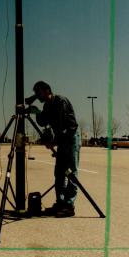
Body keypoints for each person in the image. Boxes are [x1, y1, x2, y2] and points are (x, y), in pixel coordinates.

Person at [31, 80, 81, 217]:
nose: (37, 95)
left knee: (71, 172)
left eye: (38, 92)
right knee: (59, 172)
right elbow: (43, 122)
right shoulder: (47, 105)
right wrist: (36, 112)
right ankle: (61, 203)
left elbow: (67, 126)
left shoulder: (60, 101)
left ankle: (69, 206)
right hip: (61, 140)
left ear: (47, 90)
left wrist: (54, 142)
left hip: (70, 138)